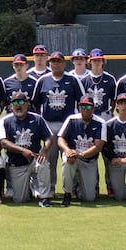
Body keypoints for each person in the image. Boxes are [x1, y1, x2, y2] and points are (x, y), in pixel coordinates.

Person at [31, 50, 82, 197]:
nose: (55, 64)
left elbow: (82, 100)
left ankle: (71, 188)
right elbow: (35, 103)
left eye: (58, 61)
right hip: (49, 124)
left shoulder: (72, 80)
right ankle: (51, 188)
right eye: (53, 61)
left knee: (70, 158)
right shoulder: (43, 80)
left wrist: (76, 123)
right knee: (50, 159)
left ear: (64, 63)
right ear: (49, 63)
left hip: (67, 125)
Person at [0, 92, 53, 207]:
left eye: (21, 102)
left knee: (43, 163)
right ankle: (29, 187)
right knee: (20, 200)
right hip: (16, 163)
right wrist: (22, 151)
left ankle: (45, 197)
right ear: (11, 106)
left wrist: (44, 150)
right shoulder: (5, 121)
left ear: (27, 104)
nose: (19, 105)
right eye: (15, 102)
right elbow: (3, 142)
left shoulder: (37, 119)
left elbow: (49, 138)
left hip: (34, 159)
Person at [56, 98, 105, 206]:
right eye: (82, 107)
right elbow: (60, 139)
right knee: (68, 160)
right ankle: (67, 193)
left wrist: (81, 155)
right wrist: (68, 150)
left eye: (88, 107)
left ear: (93, 109)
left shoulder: (100, 123)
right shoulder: (72, 119)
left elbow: (98, 147)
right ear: (79, 108)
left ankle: (79, 186)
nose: (85, 109)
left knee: (89, 198)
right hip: (73, 156)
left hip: (88, 160)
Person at [81, 50, 116, 121]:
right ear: (90, 62)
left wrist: (110, 112)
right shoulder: (84, 80)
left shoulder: (110, 79)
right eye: (94, 61)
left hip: (105, 114)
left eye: (99, 60)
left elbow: (114, 99)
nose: (97, 63)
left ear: (103, 61)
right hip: (89, 114)